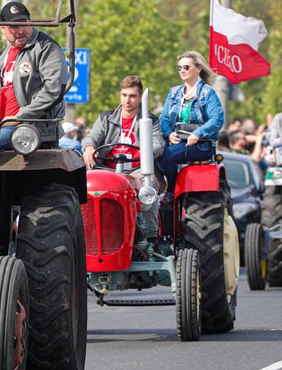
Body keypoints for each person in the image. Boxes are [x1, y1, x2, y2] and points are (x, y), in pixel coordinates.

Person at [81, 75, 164, 237]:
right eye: (124, 95)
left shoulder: (151, 121)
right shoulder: (106, 118)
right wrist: (89, 147)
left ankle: (150, 237)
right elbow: (92, 137)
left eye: (132, 96)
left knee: (148, 189)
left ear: (140, 98)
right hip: (107, 168)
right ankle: (87, 235)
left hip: (137, 169)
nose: (128, 100)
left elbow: (158, 143)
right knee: (85, 189)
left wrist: (148, 151)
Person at [0, 1, 69, 150]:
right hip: (4, 127)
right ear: (3, 28)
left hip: (32, 129)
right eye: (14, 26)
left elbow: (54, 90)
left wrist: (20, 116)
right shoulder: (2, 58)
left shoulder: (46, 47)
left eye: (24, 24)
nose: (20, 30)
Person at [158, 50, 224, 191]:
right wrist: (169, 133)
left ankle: (171, 190)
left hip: (200, 145)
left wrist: (198, 133)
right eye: (179, 68)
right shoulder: (174, 92)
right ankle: (156, 190)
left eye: (186, 67)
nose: (182, 70)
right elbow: (163, 118)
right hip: (176, 142)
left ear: (198, 69)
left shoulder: (207, 93)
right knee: (153, 153)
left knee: (167, 155)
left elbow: (217, 119)